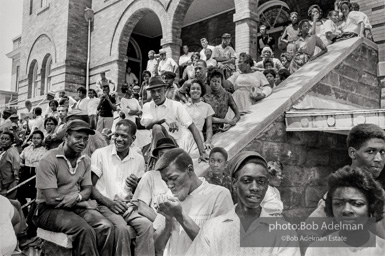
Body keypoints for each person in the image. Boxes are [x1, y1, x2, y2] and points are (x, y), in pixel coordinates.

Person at [186, 151, 300, 256]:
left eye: (261, 181)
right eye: (247, 180)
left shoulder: (283, 233)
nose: (255, 188)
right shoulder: (212, 228)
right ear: (234, 183)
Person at [32, 120, 114, 256]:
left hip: (74, 205)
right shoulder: (48, 159)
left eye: (85, 139)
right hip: (47, 210)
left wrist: (77, 197)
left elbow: (87, 189)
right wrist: (83, 202)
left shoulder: (85, 159)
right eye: (78, 137)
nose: (82, 142)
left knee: (106, 227)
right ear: (66, 137)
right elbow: (52, 199)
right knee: (84, 230)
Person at [308, 123, 385, 238]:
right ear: (352, 153)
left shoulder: (377, 191)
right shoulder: (342, 192)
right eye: (370, 151)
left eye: (382, 152)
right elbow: (307, 233)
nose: (378, 159)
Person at [91, 119, 154, 256]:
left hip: (128, 206)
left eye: (124, 136)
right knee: (121, 228)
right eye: (116, 135)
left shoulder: (138, 158)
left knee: (147, 225)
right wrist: (110, 203)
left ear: (133, 139)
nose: (119, 139)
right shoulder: (100, 154)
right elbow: (90, 186)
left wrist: (136, 185)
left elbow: (140, 191)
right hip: (105, 205)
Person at [154, 148, 233, 256]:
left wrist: (180, 215)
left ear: (189, 169)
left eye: (173, 178)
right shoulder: (169, 198)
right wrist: (168, 220)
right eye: (165, 180)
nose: (169, 185)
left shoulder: (219, 196)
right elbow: (158, 248)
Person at [305, 166, 385, 255]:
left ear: (371, 207)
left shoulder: (382, 250)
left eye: (357, 204)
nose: (346, 210)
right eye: (338, 204)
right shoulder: (317, 250)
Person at [141, 76, 208, 161]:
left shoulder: (176, 105)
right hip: (157, 147)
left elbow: (193, 128)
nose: (156, 94)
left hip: (173, 146)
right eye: (153, 92)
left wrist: (202, 153)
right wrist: (164, 119)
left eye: (159, 91)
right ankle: (158, 159)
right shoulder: (147, 106)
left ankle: (160, 160)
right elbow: (147, 125)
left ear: (165, 89)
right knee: (156, 128)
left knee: (156, 127)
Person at [203, 69, 240, 133]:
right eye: (214, 81)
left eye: (218, 81)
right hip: (206, 131)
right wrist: (225, 121)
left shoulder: (227, 95)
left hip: (221, 130)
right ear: (209, 81)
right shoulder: (204, 98)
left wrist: (230, 123)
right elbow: (207, 118)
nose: (216, 83)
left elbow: (237, 114)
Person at [18, 130, 47, 209]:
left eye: (38, 138)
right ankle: (24, 212)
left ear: (42, 139)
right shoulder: (27, 148)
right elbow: (20, 158)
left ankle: (32, 214)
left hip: (36, 173)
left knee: (34, 194)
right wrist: (22, 164)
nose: (36, 140)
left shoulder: (44, 150)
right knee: (20, 192)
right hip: (26, 171)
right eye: (34, 138)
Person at [184, 79, 215, 152]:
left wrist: (208, 141)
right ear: (189, 91)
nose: (195, 91)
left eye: (198, 89)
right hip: (183, 138)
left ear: (201, 92)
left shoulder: (207, 107)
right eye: (193, 89)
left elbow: (209, 127)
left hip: (198, 139)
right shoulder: (183, 107)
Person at [0, 132, 20, 199]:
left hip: (8, 185)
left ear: (11, 141)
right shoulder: (4, 151)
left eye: (7, 139)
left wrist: (10, 188)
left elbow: (16, 172)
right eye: (2, 138)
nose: (4, 141)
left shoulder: (13, 152)